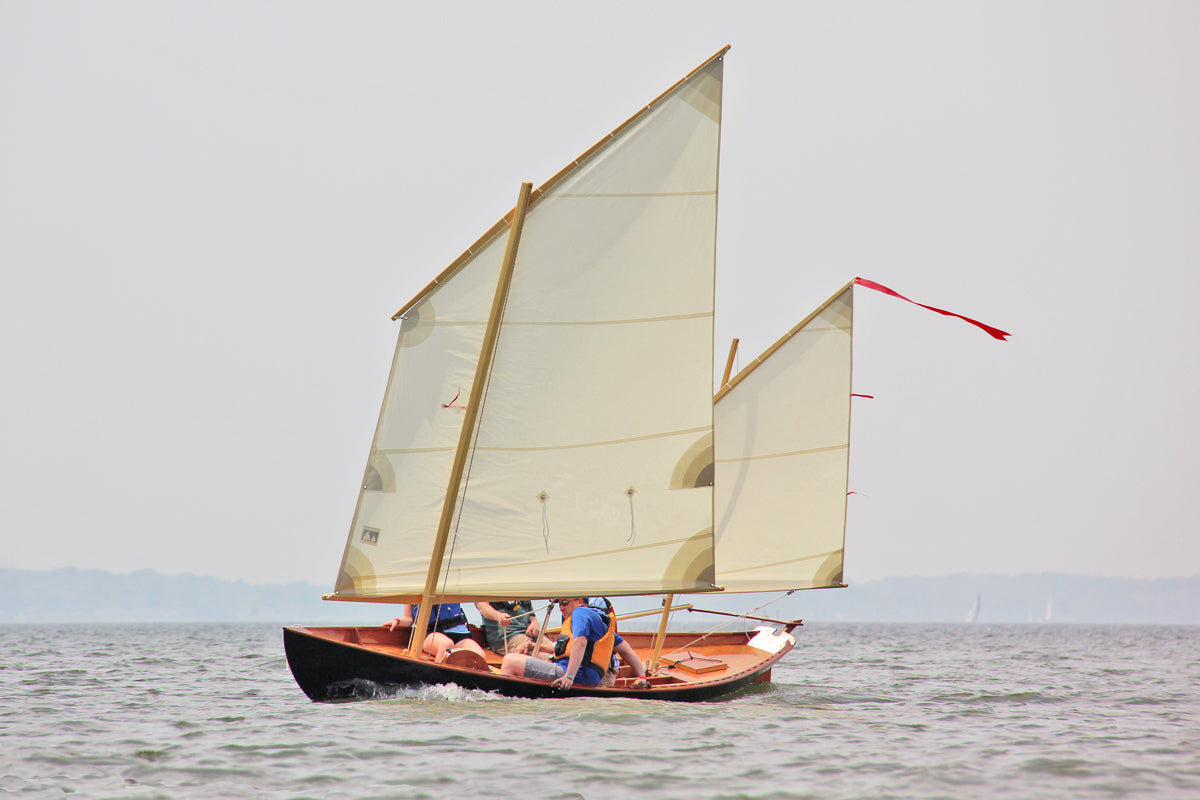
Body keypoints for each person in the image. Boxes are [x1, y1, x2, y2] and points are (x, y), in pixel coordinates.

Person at [499, 597, 650, 689]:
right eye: (559, 603)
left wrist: (569, 676)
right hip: (585, 676)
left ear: (579, 601)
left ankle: (503, 700)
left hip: (577, 676)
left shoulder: (580, 613)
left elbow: (580, 642)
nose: (561, 607)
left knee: (510, 661)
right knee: (529, 661)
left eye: (565, 602)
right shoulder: (599, 623)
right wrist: (642, 677)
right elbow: (626, 650)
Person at [383, 601, 486, 661]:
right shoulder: (414, 585)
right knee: (446, 644)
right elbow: (408, 619)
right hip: (431, 633)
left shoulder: (452, 582)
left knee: (479, 655)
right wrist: (397, 621)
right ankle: (439, 684)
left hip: (460, 633)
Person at [475, 600, 554, 656]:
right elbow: (483, 607)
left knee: (559, 651)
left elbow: (530, 612)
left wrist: (534, 622)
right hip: (510, 636)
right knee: (548, 658)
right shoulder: (487, 581)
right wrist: (499, 616)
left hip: (531, 633)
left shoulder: (519, 583)